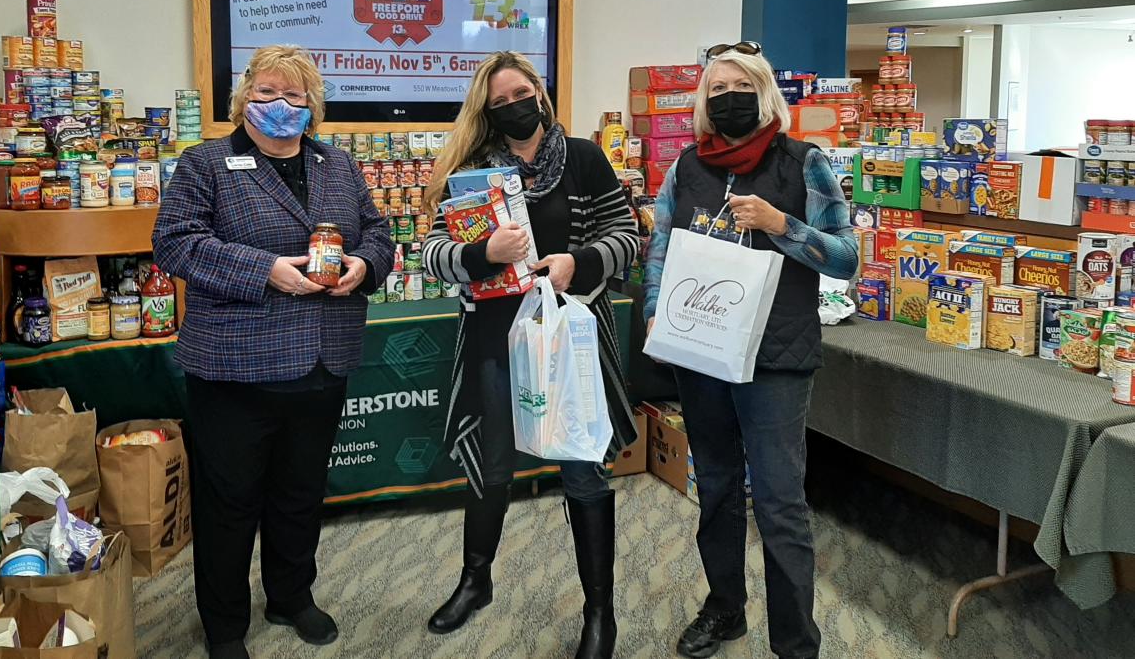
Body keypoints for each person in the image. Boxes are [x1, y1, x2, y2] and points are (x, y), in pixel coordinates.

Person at [151, 45, 394, 659]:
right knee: (229, 503)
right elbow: (175, 244)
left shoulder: (338, 165)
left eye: (292, 96)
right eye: (264, 93)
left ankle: (291, 596)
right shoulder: (206, 162)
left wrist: (363, 265)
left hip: (322, 361)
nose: (277, 106)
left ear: (312, 106)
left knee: (300, 491)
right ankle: (225, 626)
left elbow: (378, 233)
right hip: (235, 370)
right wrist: (266, 271)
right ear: (242, 100)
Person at [643, 43, 858, 659]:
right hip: (702, 350)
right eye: (716, 89)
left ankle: (795, 644)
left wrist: (780, 224)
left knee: (779, 501)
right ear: (703, 103)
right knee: (714, 484)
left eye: (739, 85)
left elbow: (846, 260)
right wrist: (657, 310)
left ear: (764, 93)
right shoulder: (687, 168)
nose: (727, 96)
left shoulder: (804, 163)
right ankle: (724, 610)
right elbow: (661, 246)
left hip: (776, 356)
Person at [422, 51, 640, 659]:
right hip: (496, 337)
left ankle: (601, 614)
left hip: (567, 340)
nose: (514, 106)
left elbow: (627, 238)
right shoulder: (470, 173)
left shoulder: (586, 160)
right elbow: (433, 252)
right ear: (486, 112)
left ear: (540, 94)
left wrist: (580, 263)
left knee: (582, 468)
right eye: (499, 102)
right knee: (490, 466)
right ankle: (476, 580)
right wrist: (482, 253)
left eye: (521, 93)